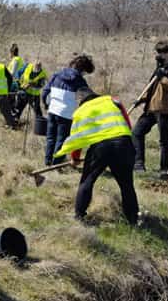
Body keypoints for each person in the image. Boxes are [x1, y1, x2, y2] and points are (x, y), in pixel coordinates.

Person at [54, 87, 139, 225]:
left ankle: (79, 215)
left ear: (82, 101)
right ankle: (133, 219)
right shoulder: (113, 100)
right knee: (127, 184)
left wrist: (75, 158)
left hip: (100, 147)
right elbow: (128, 124)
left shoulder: (80, 111)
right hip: (123, 143)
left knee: (87, 180)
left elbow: (77, 138)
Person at [132, 40, 168, 179]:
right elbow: (152, 86)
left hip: (166, 110)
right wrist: (142, 99)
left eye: (161, 52)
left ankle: (164, 170)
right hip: (152, 107)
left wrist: (163, 78)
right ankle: (138, 164)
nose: (158, 55)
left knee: (164, 140)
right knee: (137, 132)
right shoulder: (162, 66)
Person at [41, 53, 94, 166]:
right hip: (67, 114)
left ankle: (47, 161)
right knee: (62, 140)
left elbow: (45, 91)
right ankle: (56, 164)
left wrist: (46, 104)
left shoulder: (57, 75)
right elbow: (87, 99)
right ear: (83, 69)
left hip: (52, 110)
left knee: (50, 138)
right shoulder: (80, 82)